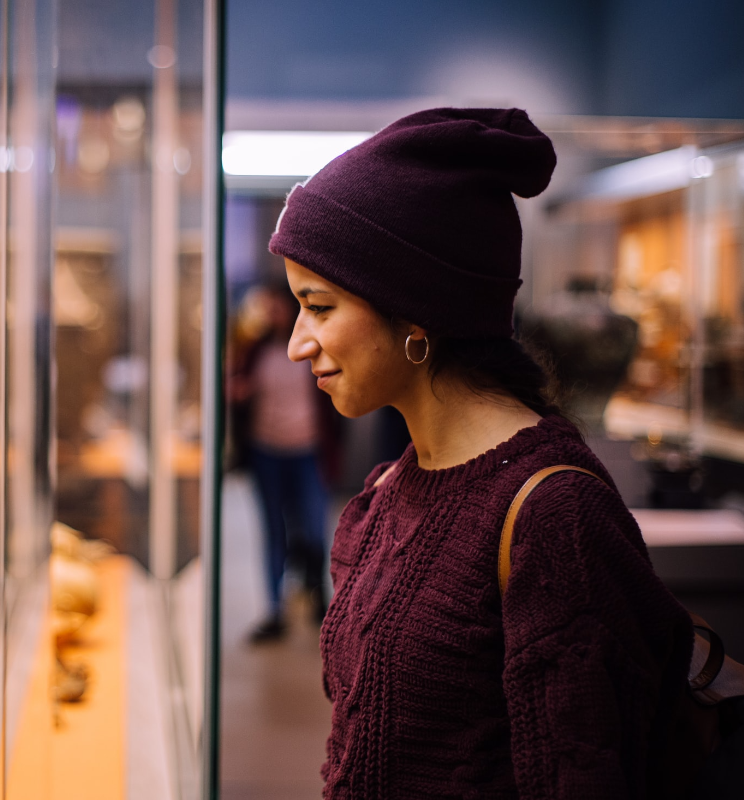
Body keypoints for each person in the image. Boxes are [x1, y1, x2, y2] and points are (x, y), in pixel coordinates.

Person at [269, 108, 692, 798]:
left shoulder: (554, 515)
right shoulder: (389, 490)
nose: (296, 343)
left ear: (415, 314)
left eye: (319, 306)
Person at [230, 284, 333, 642]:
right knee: (274, 530)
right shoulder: (255, 350)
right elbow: (237, 390)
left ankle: (321, 598)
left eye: (276, 306)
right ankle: (274, 609)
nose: (271, 313)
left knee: (314, 526)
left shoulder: (311, 345)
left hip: (306, 450)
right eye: (267, 307)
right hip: (266, 451)